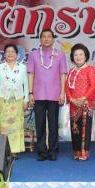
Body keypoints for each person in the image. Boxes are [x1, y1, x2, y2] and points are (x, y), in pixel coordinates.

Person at [27, 29, 68, 161]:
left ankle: (53, 150)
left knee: (53, 124)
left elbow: (62, 74)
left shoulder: (60, 55)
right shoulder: (33, 55)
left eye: (49, 36)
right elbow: (31, 74)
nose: (46, 39)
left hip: (54, 94)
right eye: (43, 37)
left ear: (53, 39)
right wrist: (30, 92)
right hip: (38, 94)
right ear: (40, 39)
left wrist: (62, 92)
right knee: (39, 124)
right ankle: (41, 151)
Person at [0, 44, 29, 159]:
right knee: (4, 125)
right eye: (8, 51)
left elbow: (26, 86)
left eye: (12, 52)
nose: (10, 54)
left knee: (16, 125)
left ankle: (15, 150)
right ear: (4, 54)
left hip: (17, 100)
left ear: (17, 54)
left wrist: (26, 99)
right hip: (4, 100)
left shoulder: (22, 67)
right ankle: (5, 149)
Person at [65, 44, 95, 161]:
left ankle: (84, 153)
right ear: (72, 57)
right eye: (75, 55)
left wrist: (83, 98)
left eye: (81, 54)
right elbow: (67, 88)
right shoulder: (71, 71)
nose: (78, 57)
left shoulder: (90, 69)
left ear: (86, 56)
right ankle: (76, 151)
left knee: (85, 128)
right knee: (75, 129)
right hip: (73, 104)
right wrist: (72, 99)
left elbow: (93, 86)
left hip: (86, 104)